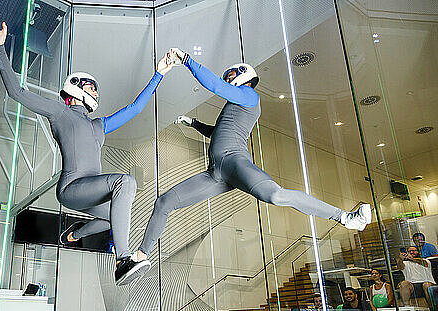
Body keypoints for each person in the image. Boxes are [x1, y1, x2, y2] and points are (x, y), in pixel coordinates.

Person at [0, 13, 174, 286]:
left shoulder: (98, 124)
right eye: (89, 86)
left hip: (91, 191)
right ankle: (122, 260)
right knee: (126, 182)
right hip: (72, 188)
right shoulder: (60, 112)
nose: (94, 91)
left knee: (115, 218)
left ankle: (73, 235)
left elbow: (135, 109)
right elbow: (17, 93)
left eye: (95, 88)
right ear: (74, 88)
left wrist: (159, 74)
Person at [132, 49, 372, 263]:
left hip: (236, 163)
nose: (227, 81)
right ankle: (141, 256)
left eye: (231, 76)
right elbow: (218, 132)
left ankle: (345, 217)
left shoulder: (250, 96)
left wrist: (186, 60)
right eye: (226, 78)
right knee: (164, 202)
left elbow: (215, 86)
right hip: (215, 173)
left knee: (276, 196)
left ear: (244, 75)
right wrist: (192, 122)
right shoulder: (234, 106)